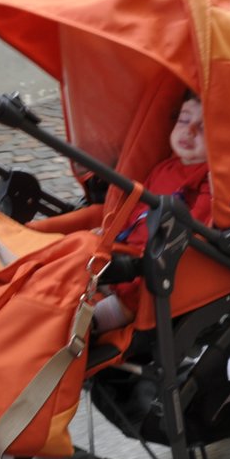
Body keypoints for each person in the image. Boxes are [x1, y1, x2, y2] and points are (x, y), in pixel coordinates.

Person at [91, 93, 213, 333]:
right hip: (123, 247)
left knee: (135, 291)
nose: (189, 131)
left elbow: (198, 223)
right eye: (183, 120)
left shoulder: (208, 179)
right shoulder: (164, 167)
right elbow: (133, 207)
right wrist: (109, 233)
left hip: (154, 260)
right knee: (86, 246)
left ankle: (96, 321)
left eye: (204, 128)